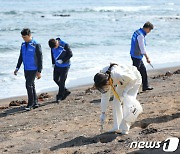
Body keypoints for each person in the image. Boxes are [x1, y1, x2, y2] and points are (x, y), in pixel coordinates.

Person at [94, 63, 143, 134]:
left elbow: (133, 79)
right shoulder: (102, 78)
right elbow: (105, 96)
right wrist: (103, 113)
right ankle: (116, 126)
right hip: (121, 82)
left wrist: (126, 91)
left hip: (134, 79)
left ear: (107, 81)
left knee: (127, 103)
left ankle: (125, 129)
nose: (105, 88)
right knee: (116, 102)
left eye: (105, 86)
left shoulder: (117, 74)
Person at [14, 28, 43, 111]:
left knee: (28, 85)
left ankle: (30, 104)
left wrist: (39, 71)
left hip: (34, 68)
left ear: (30, 35)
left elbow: (40, 58)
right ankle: (35, 102)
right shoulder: (23, 45)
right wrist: (17, 68)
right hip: (26, 68)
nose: (24, 39)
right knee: (31, 85)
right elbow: (21, 57)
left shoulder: (36, 44)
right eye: (22, 37)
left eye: (25, 37)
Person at [130, 21, 154, 91]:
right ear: (147, 28)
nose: (149, 32)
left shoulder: (137, 31)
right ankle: (130, 89)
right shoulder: (141, 35)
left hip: (134, 55)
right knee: (134, 74)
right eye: (149, 30)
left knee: (143, 71)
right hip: (136, 56)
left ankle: (145, 86)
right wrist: (147, 58)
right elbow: (142, 48)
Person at [48, 37, 73, 102]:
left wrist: (63, 60)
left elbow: (70, 54)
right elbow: (52, 55)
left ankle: (60, 96)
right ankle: (65, 91)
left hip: (65, 66)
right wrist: (53, 63)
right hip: (57, 65)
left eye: (55, 47)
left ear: (57, 43)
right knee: (55, 79)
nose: (55, 48)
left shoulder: (65, 45)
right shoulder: (53, 47)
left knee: (62, 81)